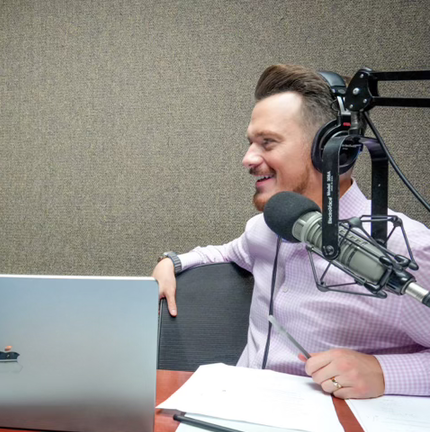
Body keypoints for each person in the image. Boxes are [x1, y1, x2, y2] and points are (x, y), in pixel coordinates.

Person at [153, 65, 430, 399]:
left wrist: (384, 373)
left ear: (332, 151)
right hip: (238, 410)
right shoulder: (268, 227)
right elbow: (224, 253)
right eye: (251, 143)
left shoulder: (406, 248)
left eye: (267, 143)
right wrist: (172, 262)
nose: (247, 159)